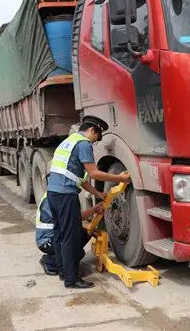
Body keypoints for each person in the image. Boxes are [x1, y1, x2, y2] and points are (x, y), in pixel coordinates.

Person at [47, 116, 131, 289]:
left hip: (53, 193)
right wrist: (119, 177)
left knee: (60, 234)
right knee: (70, 236)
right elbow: (93, 173)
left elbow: (80, 179)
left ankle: (63, 270)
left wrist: (98, 192)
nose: (96, 142)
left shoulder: (68, 142)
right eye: (97, 137)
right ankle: (72, 279)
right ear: (92, 130)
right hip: (66, 194)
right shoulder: (84, 144)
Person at [36, 186, 105, 277]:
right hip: (47, 241)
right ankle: (50, 262)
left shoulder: (55, 192)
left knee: (85, 234)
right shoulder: (55, 198)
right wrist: (94, 210)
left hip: (52, 236)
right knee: (76, 252)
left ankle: (59, 258)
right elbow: (73, 218)